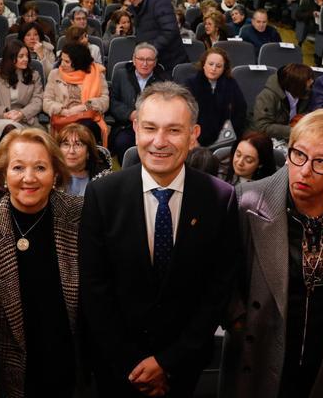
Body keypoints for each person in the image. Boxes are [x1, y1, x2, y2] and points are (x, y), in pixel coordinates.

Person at [80, 81, 239, 397]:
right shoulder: (102, 194)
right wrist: (133, 364)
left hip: (183, 367)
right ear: (136, 127)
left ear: (194, 135)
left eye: (174, 131)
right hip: (116, 367)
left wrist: (168, 363)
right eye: (150, 128)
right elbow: (95, 289)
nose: (159, 142)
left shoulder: (220, 199)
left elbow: (217, 290)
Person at [219, 108, 323, 398]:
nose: (304, 170)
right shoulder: (248, 201)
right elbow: (222, 276)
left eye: (320, 163)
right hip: (260, 347)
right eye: (298, 155)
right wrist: (239, 322)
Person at [0, 128, 84, 397]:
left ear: (55, 174)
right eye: (18, 168)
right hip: (11, 377)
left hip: (74, 370)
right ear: (3, 175)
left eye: (40, 167)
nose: (29, 178)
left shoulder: (81, 216)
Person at [0, 39, 44, 142]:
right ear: (10, 58)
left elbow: (37, 101)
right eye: (21, 56)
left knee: (13, 131)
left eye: (27, 56)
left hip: (25, 121)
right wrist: (4, 114)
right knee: (10, 128)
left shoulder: (34, 76)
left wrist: (22, 114)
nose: (25, 59)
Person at [109, 43, 170, 157]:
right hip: (127, 125)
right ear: (133, 59)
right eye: (141, 59)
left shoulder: (164, 79)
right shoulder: (121, 75)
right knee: (122, 142)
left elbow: (167, 105)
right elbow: (113, 101)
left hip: (154, 127)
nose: (145, 63)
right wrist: (130, 114)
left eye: (149, 60)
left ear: (155, 62)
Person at [44, 43, 110, 146]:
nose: (62, 64)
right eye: (61, 60)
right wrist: (63, 111)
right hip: (63, 119)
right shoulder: (54, 74)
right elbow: (47, 102)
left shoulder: (96, 74)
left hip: (87, 119)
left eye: (67, 61)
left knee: (85, 128)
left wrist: (84, 107)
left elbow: (105, 101)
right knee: (76, 131)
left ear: (78, 62)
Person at [122, 0, 189, 71]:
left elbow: (170, 31)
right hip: (153, 62)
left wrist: (150, 50)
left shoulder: (159, 2)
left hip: (170, 62)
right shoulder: (137, 8)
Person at [185, 47, 247, 147]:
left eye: (218, 66)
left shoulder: (231, 84)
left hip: (225, 138)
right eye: (210, 64)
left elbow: (240, 111)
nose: (213, 69)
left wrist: (232, 135)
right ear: (203, 65)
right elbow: (185, 115)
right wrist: (192, 138)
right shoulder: (191, 83)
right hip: (195, 139)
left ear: (224, 69)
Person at [253, 62, 314, 140]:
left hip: (294, 136)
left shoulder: (306, 93)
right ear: (296, 85)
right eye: (308, 82)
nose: (311, 83)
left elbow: (307, 112)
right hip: (268, 139)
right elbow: (262, 127)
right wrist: (294, 131)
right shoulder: (267, 96)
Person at [57, 123, 112, 196]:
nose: (71, 151)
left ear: (88, 151)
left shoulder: (103, 180)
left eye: (78, 144)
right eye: (66, 144)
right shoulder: (51, 179)